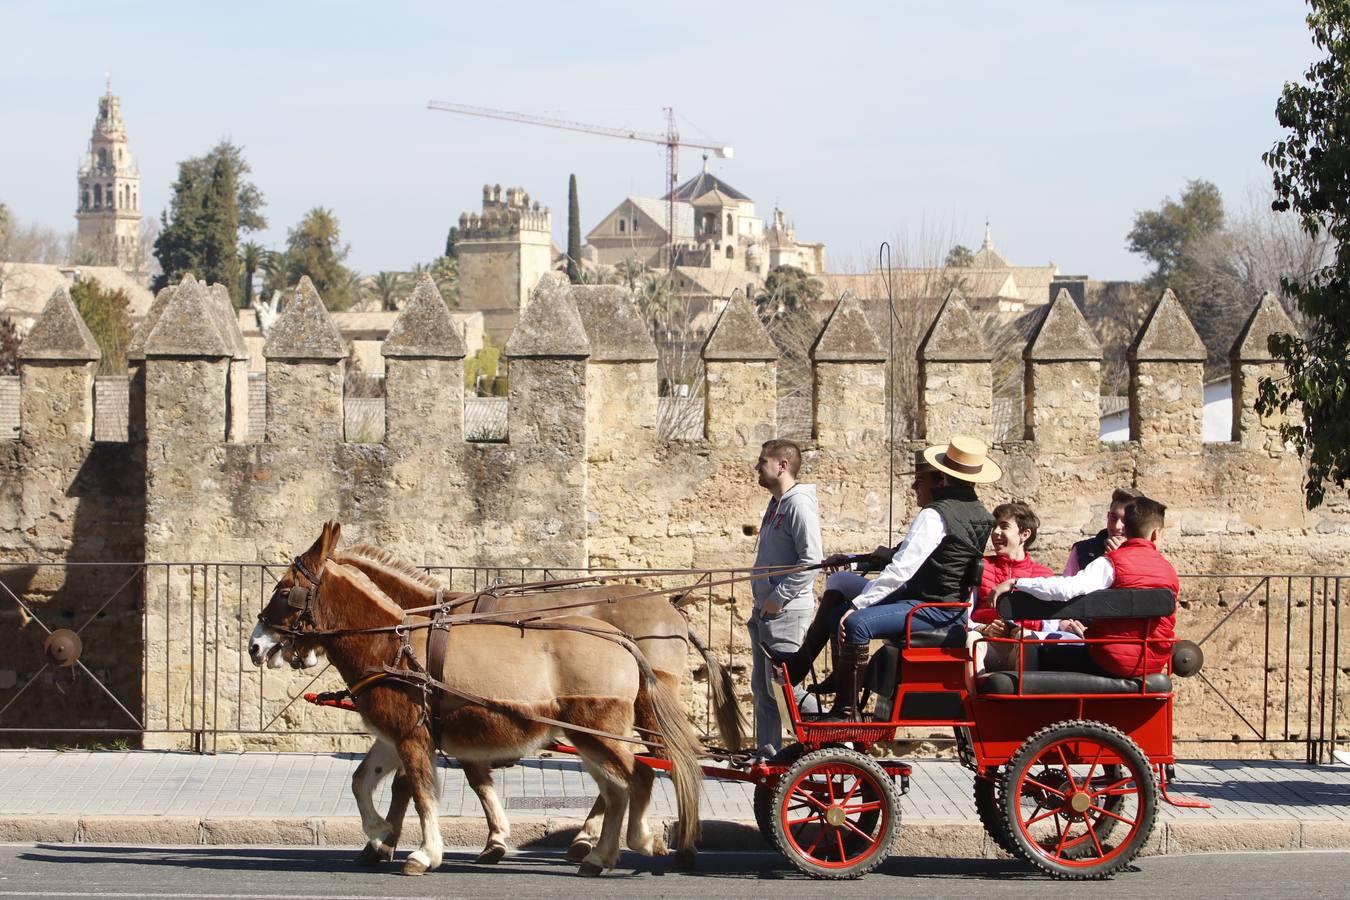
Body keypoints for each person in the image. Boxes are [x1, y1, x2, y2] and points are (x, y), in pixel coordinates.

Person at [768, 435, 1000, 720]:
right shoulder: (979, 514)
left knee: (855, 622)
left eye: (920, 481)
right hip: (944, 605)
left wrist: (859, 606)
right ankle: (811, 670)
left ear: (942, 479)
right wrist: (866, 561)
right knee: (839, 599)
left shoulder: (936, 515)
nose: (915, 487)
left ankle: (844, 711)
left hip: (931, 608)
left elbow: (903, 569)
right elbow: (940, 558)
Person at [987, 496, 1177, 678]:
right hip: (1152, 665)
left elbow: (1066, 590)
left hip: (1108, 660)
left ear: (1125, 528)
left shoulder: (1111, 563)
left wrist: (1016, 582)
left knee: (1038, 651)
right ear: (1155, 534)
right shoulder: (1169, 571)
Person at [746, 438, 822, 757]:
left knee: (786, 687)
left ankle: (833, 734)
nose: (757, 467)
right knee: (764, 689)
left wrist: (778, 597)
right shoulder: (777, 503)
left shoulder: (799, 504)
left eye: (763, 461)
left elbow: (812, 559)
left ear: (782, 465)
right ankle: (768, 755)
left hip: (785, 612)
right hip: (765, 611)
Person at [970, 501, 1082, 670]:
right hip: (989, 643)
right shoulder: (981, 567)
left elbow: (1050, 622)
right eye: (994, 527)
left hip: (1024, 643)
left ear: (1024, 534)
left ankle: (1022, 692)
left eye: (1004, 526)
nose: (995, 533)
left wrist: (1026, 631)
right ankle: (974, 695)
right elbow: (965, 613)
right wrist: (984, 628)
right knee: (972, 639)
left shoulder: (1043, 575)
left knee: (1026, 640)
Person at [1065, 487, 1139, 575]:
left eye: (1126, 520)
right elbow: (1069, 585)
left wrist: (1122, 558)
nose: (1117, 526)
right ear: (1108, 516)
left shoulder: (1147, 554)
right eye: (1113, 517)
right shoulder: (1081, 550)